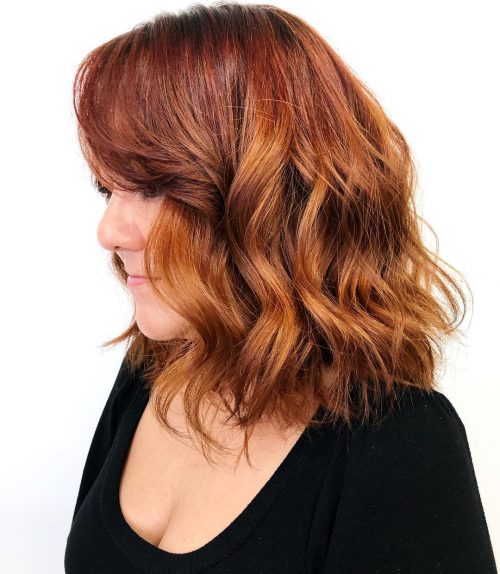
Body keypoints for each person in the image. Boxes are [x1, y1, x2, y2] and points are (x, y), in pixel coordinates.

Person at [64, 2, 497, 573]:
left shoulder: (400, 446)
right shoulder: (152, 372)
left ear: (268, 197)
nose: (109, 231)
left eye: (153, 186)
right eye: (108, 189)